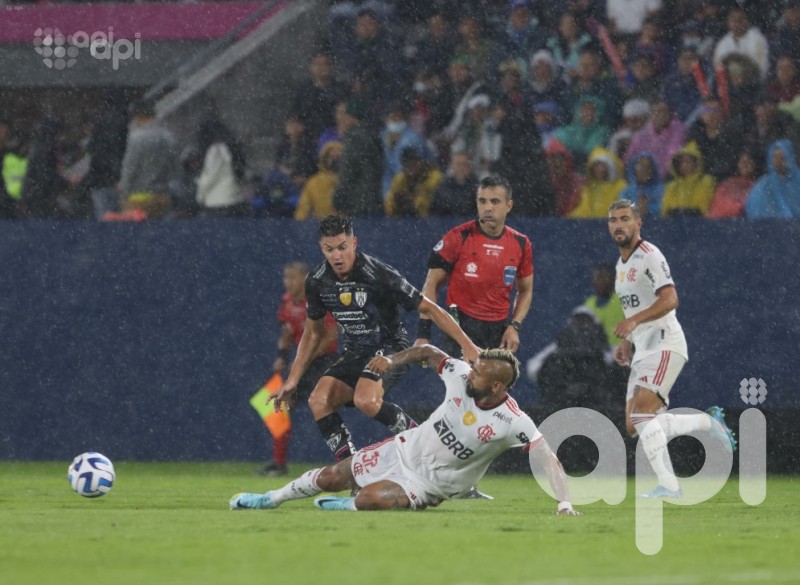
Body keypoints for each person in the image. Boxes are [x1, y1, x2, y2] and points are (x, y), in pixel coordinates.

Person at [231, 344, 581, 515]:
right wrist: (393, 361)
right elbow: (428, 352)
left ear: (496, 387)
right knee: (332, 476)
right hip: (402, 449)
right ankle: (271, 499)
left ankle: (348, 506)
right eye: (472, 369)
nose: (469, 374)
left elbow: (548, 459)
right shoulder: (461, 375)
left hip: (428, 485)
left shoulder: (513, 420)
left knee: (369, 499)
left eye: (478, 375)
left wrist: (564, 502)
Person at [271, 215, 481, 466]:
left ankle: (426, 447)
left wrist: (467, 345)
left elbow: (430, 308)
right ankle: (351, 471)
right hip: (356, 351)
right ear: (321, 248)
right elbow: (313, 333)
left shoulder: (379, 274)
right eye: (329, 249)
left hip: (391, 348)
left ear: (354, 243)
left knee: (365, 401)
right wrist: (293, 379)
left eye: (342, 247)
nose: (337, 256)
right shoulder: (317, 281)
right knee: (318, 400)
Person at [607, 199, 736, 498]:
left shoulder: (649, 255)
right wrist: (628, 340)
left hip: (665, 342)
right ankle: (707, 421)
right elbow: (635, 307)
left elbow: (670, 299)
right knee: (633, 424)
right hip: (644, 347)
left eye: (625, 218)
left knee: (642, 417)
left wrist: (634, 322)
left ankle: (669, 485)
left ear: (639, 223)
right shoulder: (621, 263)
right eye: (613, 220)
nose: (619, 225)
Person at [416, 175, 533, 358]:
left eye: (495, 201)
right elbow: (431, 285)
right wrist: (423, 335)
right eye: (482, 201)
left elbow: (525, 291)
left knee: (494, 387)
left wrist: (514, 326)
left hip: (498, 332)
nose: (488, 208)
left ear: (509, 206)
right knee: (461, 385)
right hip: (459, 328)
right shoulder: (456, 238)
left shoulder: (521, 244)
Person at [257, 262, 339, 476]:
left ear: (305, 279)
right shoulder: (286, 303)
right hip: (301, 364)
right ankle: (278, 462)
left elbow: (330, 336)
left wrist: (303, 358)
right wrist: (281, 357)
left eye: (293, 277)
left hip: (324, 361)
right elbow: (286, 334)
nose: (288, 282)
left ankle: (345, 461)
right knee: (279, 404)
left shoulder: (316, 301)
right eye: (285, 277)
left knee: (324, 405)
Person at [118, 100, 178, 220]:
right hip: (163, 195)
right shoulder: (168, 137)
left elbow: (130, 168)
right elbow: (175, 168)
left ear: (137, 117)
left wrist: (123, 192)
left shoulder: (136, 138)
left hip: (138, 197)